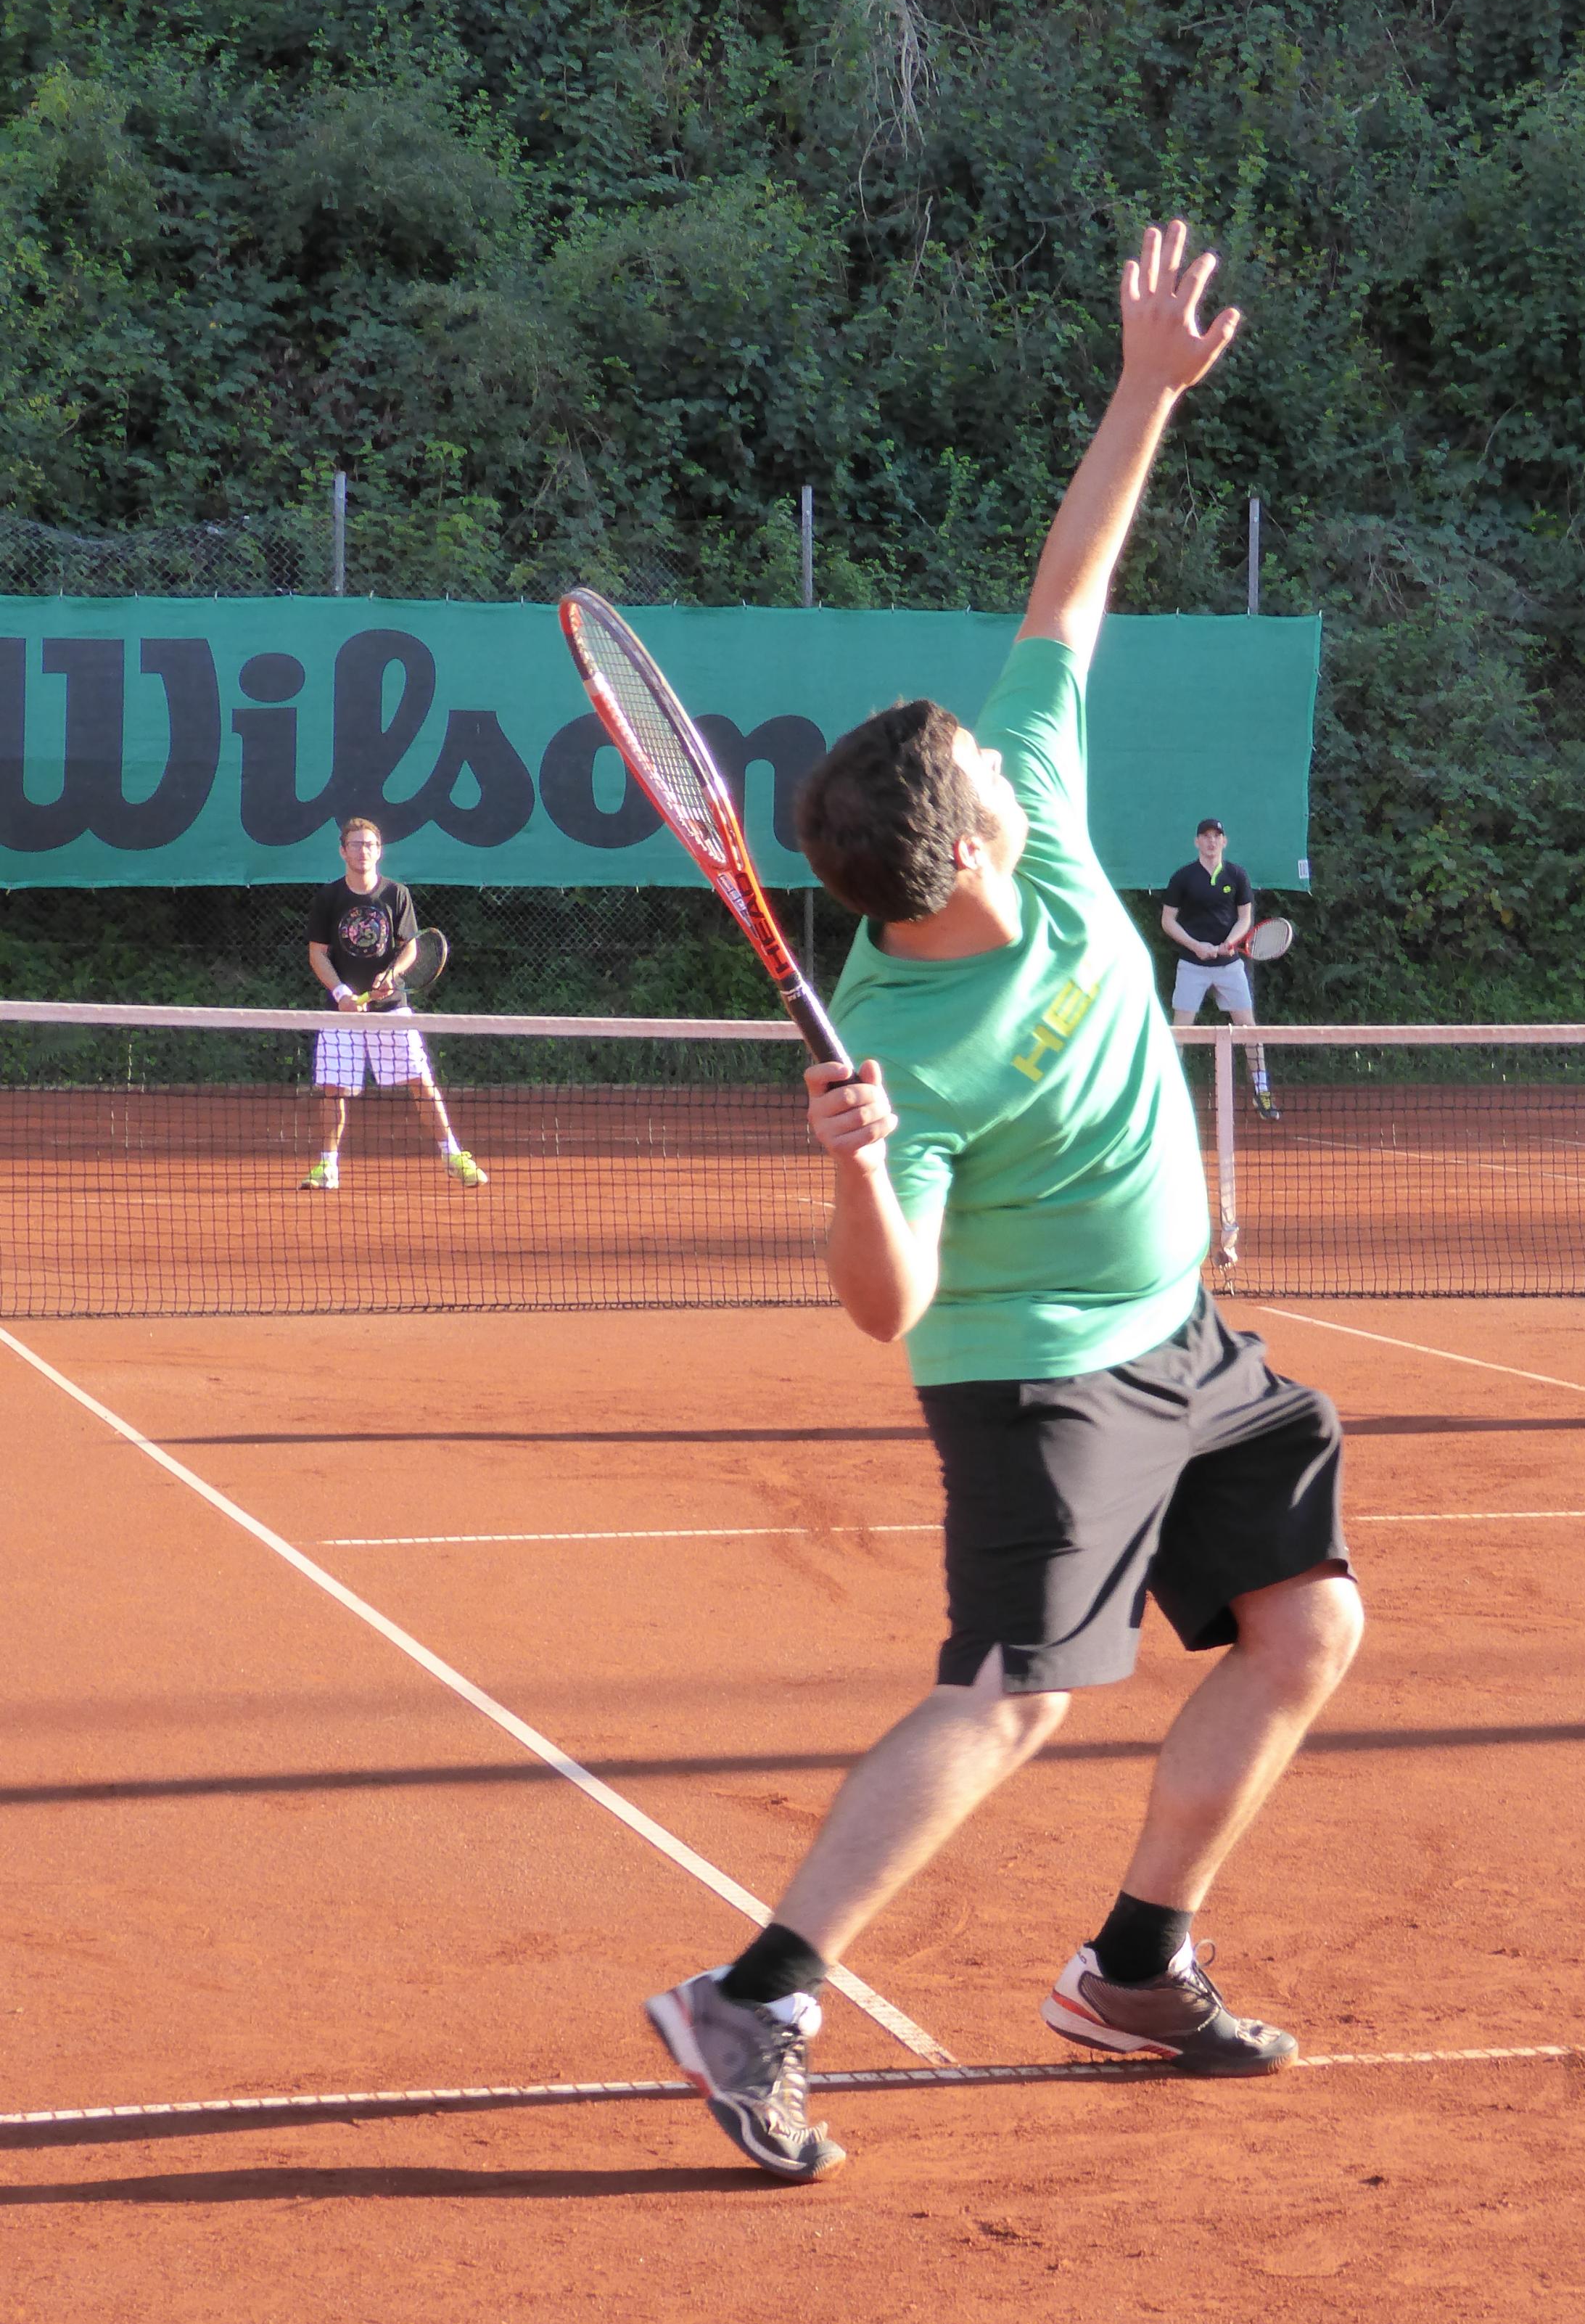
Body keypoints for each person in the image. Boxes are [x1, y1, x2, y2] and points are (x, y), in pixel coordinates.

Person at [644, 221, 1363, 2183]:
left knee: (1304, 1627)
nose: (1002, 734)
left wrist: (1144, 386)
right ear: (960, 855)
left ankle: (1132, 1968)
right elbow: (886, 1305)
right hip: (1039, 1373)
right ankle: (755, 1998)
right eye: (980, 759)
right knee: (1012, 1698)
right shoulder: (910, 1037)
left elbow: (1070, 590)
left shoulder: (1020, 794)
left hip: (1184, 1339)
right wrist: (860, 1168)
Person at [301, 817, 487, 1191]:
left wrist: (392, 976)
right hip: (341, 1012)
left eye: (370, 844)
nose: (363, 851)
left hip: (391, 1008)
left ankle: (452, 1155)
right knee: (333, 1089)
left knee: (421, 1082)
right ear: (343, 851)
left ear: (379, 851)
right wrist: (341, 993)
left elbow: (410, 948)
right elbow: (317, 954)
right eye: (356, 845)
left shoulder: (396, 894)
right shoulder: (329, 897)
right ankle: (328, 1166)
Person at [1162, 816, 1279, 1118]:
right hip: (1192, 965)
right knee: (1181, 1030)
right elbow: (1168, 921)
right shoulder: (1183, 878)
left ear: (1224, 841)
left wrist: (1230, 942)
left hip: (1230, 966)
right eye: (1205, 836)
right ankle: (1168, 1095)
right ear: (1197, 842)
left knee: (1249, 1029)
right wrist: (1195, 946)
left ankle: (1262, 1091)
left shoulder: (1237, 876)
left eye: (1216, 836)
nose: (1211, 841)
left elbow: (1244, 919)